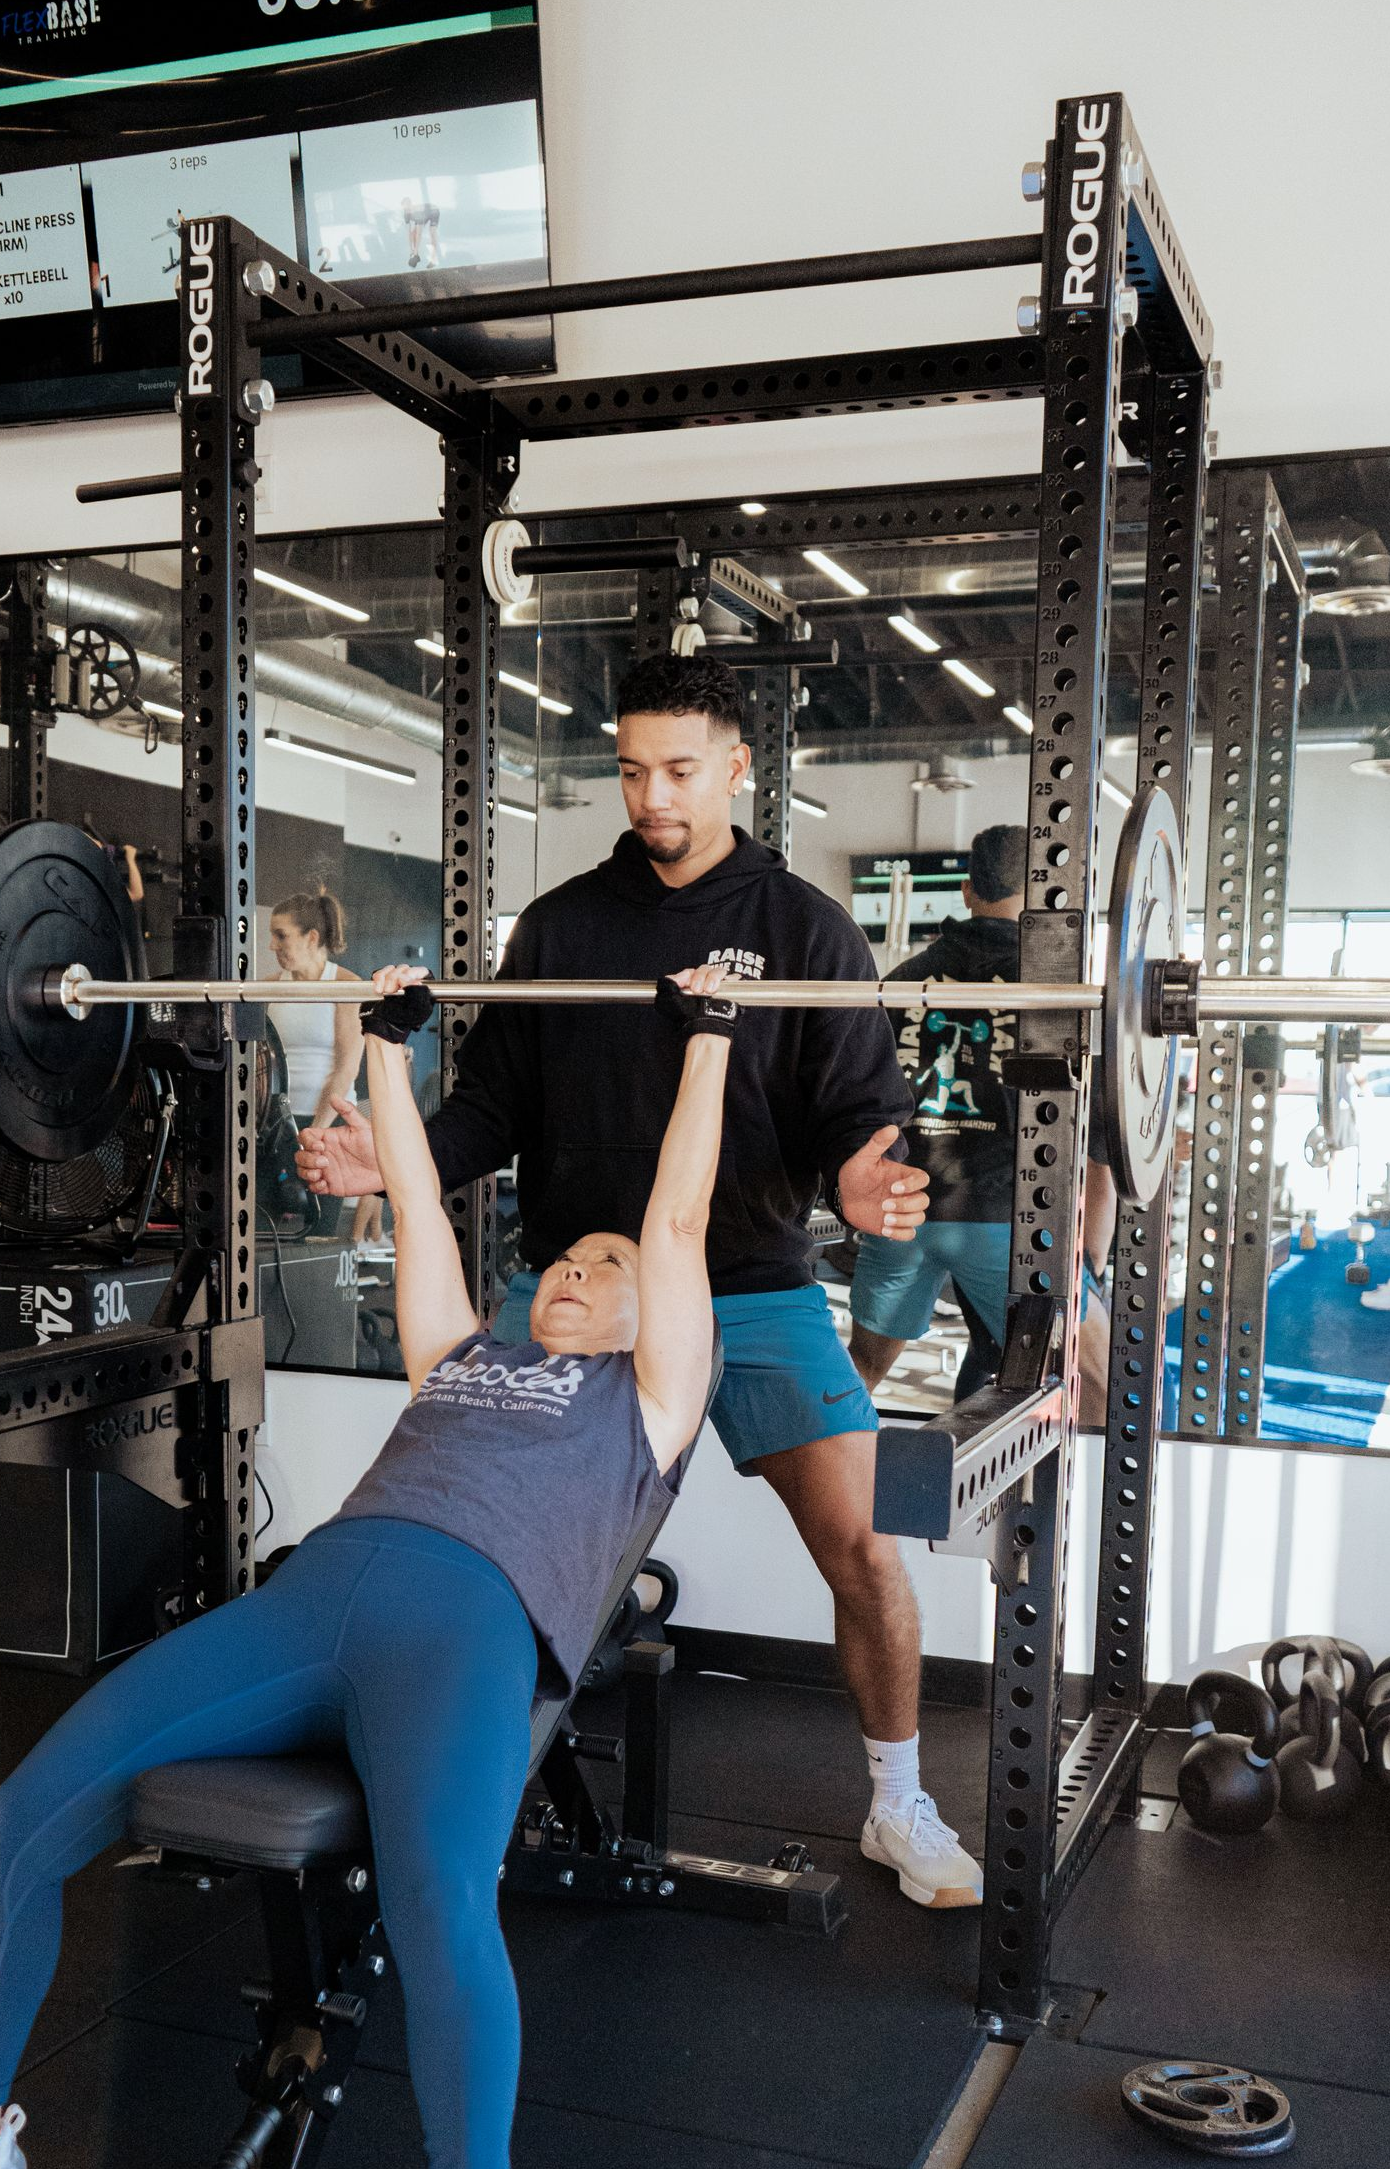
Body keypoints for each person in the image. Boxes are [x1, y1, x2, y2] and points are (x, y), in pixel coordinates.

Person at [0, 961, 735, 2169]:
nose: (577, 1273)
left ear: (662, 1314)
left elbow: (680, 1220)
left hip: (464, 1632)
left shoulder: (650, 1405)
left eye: (608, 1264)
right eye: (566, 1262)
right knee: (19, 1819)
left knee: (441, 1908)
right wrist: (385, 1044)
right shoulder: (463, 1355)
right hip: (312, 1601)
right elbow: (423, 1211)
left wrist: (709, 1041)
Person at [299, 652, 982, 1911]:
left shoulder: (803, 931)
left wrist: (863, 1185)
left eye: (678, 770)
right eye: (630, 770)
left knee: (867, 1553)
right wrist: (374, 1159)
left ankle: (898, 1801)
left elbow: (858, 1120)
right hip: (571, 1286)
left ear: (737, 767)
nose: (651, 795)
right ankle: (458, 1786)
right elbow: (490, 1110)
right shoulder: (561, 927)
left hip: (752, 1290)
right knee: (483, 1544)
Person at [847, 825, 1024, 1403]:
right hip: (999, 1218)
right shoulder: (1051, 988)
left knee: (860, 1374)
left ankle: (807, 1476)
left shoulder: (899, 981)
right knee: (1069, 1377)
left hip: (904, 1212)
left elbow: (860, 1096)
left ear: (968, 892)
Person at [265, 888, 365, 1134]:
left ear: (311, 937)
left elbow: (347, 1068)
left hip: (331, 1122)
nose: (272, 945)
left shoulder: (346, 986)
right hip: (276, 1121)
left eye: (281, 936)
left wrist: (317, 1130)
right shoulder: (267, 987)